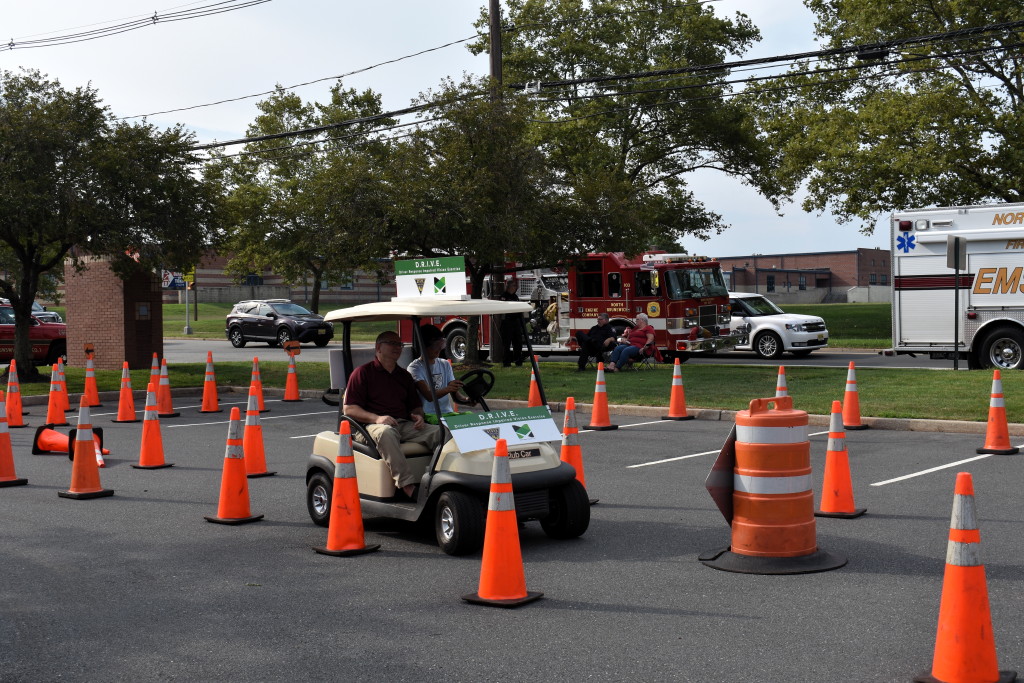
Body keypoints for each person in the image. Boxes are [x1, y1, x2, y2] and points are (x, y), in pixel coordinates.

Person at [343, 331, 441, 499]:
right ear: (378, 347)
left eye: (400, 344)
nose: (397, 347)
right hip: (369, 426)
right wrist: (377, 418)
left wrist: (418, 416)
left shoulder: (404, 376)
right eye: (392, 343)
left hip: (401, 423)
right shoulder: (362, 373)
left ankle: (438, 480)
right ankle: (407, 485)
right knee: (386, 432)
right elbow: (349, 409)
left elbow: (415, 407)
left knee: (441, 432)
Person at [407, 325, 463, 423]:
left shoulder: (445, 364)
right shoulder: (414, 368)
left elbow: (456, 396)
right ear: (424, 345)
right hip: (429, 416)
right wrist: (448, 388)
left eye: (441, 345)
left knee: (473, 422)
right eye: (435, 346)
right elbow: (429, 396)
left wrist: (469, 400)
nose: (439, 349)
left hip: (448, 414)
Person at [497, 279, 524, 367]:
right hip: (507, 323)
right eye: (514, 286)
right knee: (507, 344)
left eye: (515, 286)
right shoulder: (503, 297)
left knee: (518, 343)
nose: (515, 288)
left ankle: (518, 361)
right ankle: (506, 362)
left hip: (515, 322)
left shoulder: (515, 297)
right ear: (509, 286)